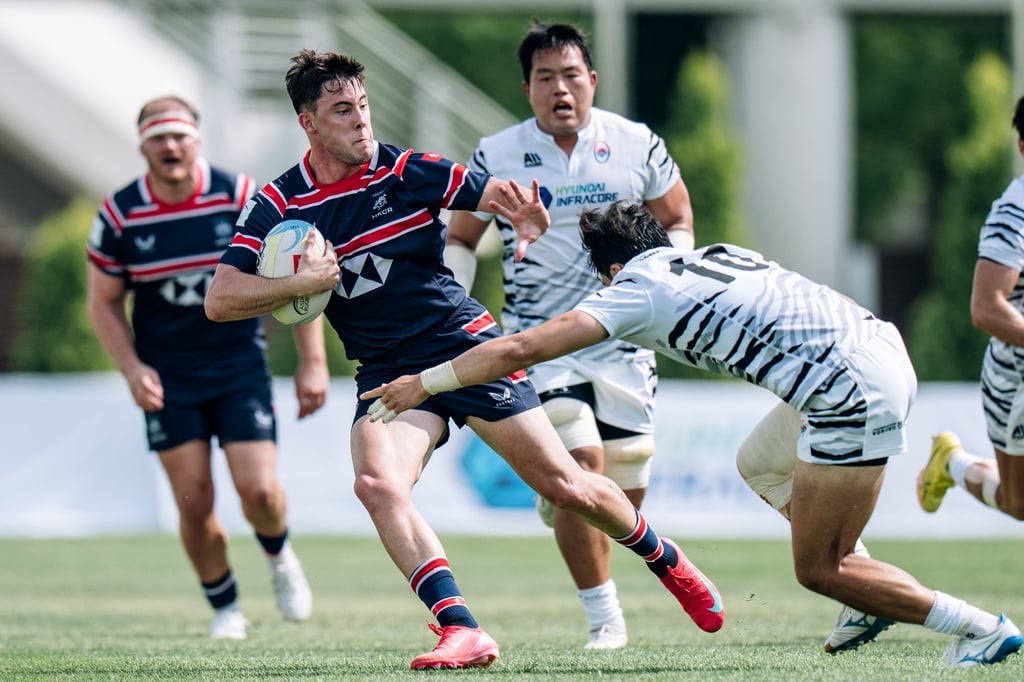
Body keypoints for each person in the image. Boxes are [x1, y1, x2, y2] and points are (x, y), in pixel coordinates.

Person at [204, 50, 725, 671]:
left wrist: (525, 214)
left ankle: (667, 558)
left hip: (465, 348)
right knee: (376, 484)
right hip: (388, 374)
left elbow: (496, 195)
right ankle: (461, 628)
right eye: (343, 111)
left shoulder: (406, 170)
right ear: (308, 124)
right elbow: (220, 298)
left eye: (364, 107)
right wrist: (298, 283)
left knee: (565, 486)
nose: (362, 123)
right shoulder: (277, 206)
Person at [363, 200, 1024, 669]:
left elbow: (524, 347)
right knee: (760, 463)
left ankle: (979, 628)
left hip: (846, 391)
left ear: (608, 270)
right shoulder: (714, 254)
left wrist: (428, 382)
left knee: (820, 568)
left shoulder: (633, 291)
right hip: (879, 346)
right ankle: (867, 600)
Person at [442, 20, 694, 650]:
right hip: (541, 343)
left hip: (626, 341)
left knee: (619, 494)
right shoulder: (496, 153)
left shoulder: (637, 143)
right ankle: (605, 619)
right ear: (527, 89)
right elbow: (461, 238)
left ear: (593, 81)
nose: (561, 89)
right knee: (583, 464)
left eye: (571, 76)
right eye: (545, 78)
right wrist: (455, 308)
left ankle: (557, 495)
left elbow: (679, 217)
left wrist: (671, 283)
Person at [86, 95, 327, 640]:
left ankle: (279, 555)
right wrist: (130, 369)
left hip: (238, 362)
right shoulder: (120, 214)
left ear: (197, 138)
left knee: (260, 494)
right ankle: (226, 608)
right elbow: (102, 303)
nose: (170, 146)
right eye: (157, 137)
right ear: (143, 145)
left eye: (179, 135)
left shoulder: (242, 197)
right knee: (194, 501)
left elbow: (300, 273)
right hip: (168, 376)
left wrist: (312, 362)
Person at [918, 95, 1024, 528]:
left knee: (1018, 503)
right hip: (1016, 379)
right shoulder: (1015, 214)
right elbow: (986, 308)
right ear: (1023, 146)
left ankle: (952, 462)